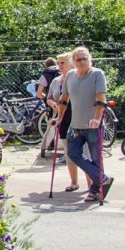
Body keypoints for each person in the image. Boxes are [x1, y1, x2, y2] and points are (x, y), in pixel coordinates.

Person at [52, 47, 114, 202]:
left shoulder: (97, 74)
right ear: (73, 62)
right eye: (78, 59)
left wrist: (97, 119)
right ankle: (103, 178)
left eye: (85, 58)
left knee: (95, 159)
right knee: (72, 153)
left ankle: (95, 190)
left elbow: (101, 98)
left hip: (92, 125)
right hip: (75, 125)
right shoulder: (70, 76)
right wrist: (59, 118)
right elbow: (64, 99)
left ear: (90, 59)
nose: (82, 62)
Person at [45, 52, 91, 191]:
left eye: (62, 63)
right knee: (69, 152)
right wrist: (53, 105)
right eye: (58, 63)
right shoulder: (56, 81)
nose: (59, 66)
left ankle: (91, 183)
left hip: (79, 119)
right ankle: (73, 182)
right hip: (63, 119)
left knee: (85, 152)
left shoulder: (78, 78)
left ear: (71, 63)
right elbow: (49, 98)